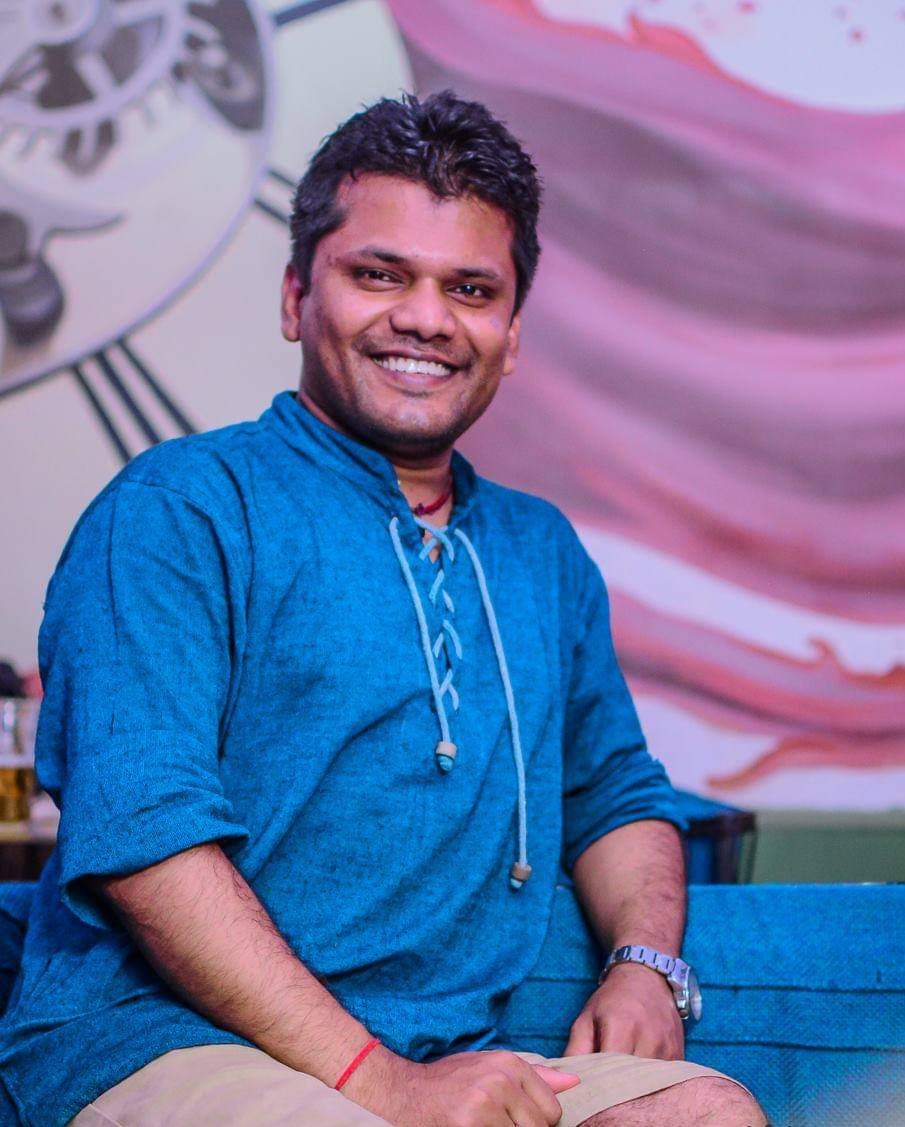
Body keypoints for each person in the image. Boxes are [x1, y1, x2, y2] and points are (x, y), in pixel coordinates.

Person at [0, 92, 766, 1127]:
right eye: (379, 274)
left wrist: (643, 963)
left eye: (470, 288)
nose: (425, 318)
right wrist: (379, 1080)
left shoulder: (539, 550)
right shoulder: (176, 509)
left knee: (704, 1111)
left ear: (510, 333)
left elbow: (612, 792)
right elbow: (144, 839)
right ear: (294, 298)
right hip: (160, 1043)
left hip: (440, 1052)